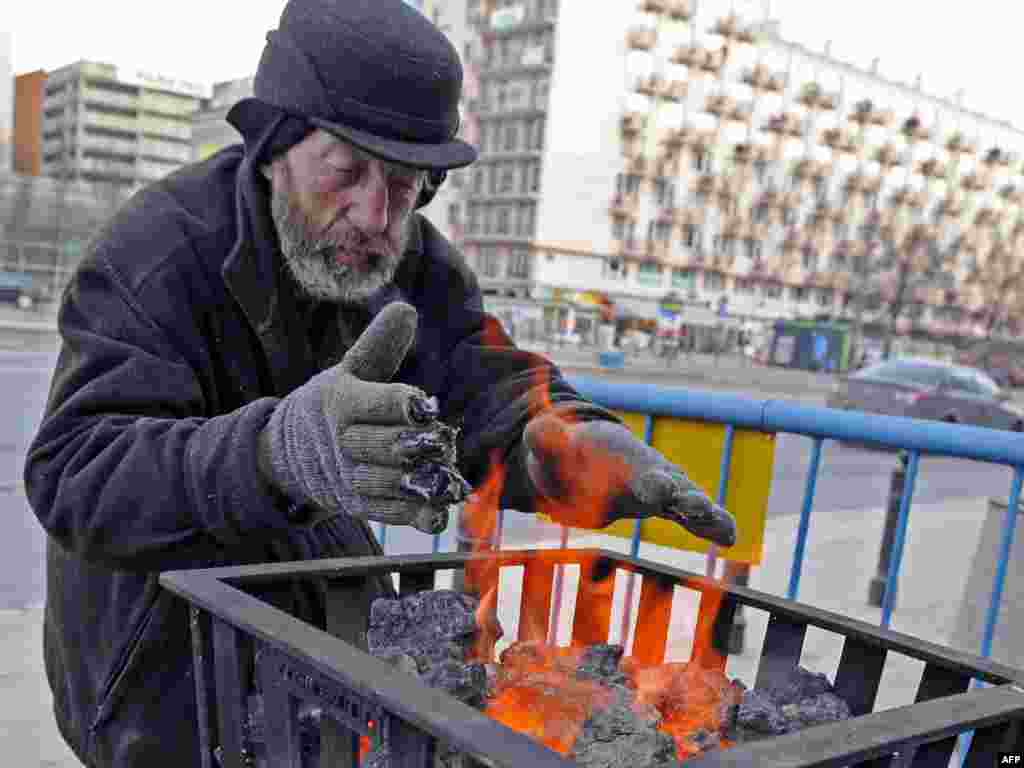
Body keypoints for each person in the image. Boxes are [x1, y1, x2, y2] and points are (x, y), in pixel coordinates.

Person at [23, 1, 737, 765]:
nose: (374, 212)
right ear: (273, 146)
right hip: (168, 678)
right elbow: (77, 471)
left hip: (325, 656)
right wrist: (274, 453)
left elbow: (477, 379)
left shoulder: (415, 260)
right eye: (345, 172)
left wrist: (562, 438)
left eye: (404, 185)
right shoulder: (159, 251)